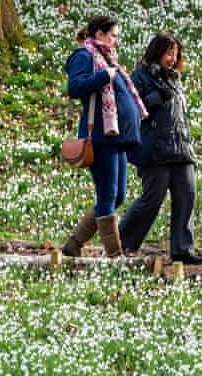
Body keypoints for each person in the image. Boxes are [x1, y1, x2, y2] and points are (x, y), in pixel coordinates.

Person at [62, 16, 148, 257]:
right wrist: (105, 76)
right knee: (108, 194)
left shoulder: (107, 58)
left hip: (116, 138)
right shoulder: (85, 56)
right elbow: (75, 87)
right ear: (99, 33)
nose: (115, 40)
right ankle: (114, 254)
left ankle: (74, 243)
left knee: (118, 194)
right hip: (100, 138)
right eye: (113, 35)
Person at [120, 33, 202, 264]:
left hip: (180, 148)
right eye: (168, 53)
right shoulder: (140, 76)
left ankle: (182, 249)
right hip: (155, 149)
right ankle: (122, 242)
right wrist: (157, 97)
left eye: (175, 53)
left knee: (187, 195)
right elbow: (132, 109)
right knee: (151, 200)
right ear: (156, 52)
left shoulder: (174, 79)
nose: (172, 58)